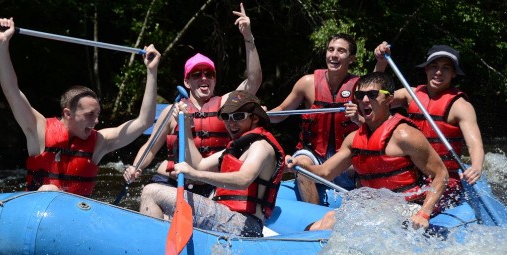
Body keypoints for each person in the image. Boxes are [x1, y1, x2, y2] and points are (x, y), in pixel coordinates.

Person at [0, 17, 161, 197]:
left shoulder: (100, 143)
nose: (96, 121)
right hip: (37, 210)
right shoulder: (38, 128)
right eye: (90, 114)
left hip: (74, 216)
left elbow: (144, 121)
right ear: (68, 113)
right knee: (49, 189)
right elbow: (12, 91)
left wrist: (152, 72)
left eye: (97, 114)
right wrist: (2, 46)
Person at [123, 3, 261, 198]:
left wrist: (248, 38)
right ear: (187, 82)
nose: (204, 78)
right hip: (173, 182)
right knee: (149, 192)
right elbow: (151, 148)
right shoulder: (172, 111)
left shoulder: (226, 104)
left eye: (209, 74)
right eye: (197, 74)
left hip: (212, 184)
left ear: (214, 79)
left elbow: (253, 81)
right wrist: (135, 168)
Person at [287, 72, 449, 230]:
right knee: (324, 220)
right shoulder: (353, 139)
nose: (365, 100)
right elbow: (324, 172)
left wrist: (424, 213)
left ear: (389, 99)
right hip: (373, 208)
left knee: (331, 223)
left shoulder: (405, 135)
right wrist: (298, 166)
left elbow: (441, 174)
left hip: (407, 208)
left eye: (372, 95)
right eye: (360, 95)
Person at [139, 91, 285, 237]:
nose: (231, 123)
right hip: (227, 216)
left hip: (244, 225)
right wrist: (186, 127)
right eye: (226, 117)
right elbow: (199, 164)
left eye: (238, 116)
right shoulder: (236, 148)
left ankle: (151, 249)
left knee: (151, 192)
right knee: (163, 218)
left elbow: (243, 180)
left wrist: (195, 174)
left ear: (255, 118)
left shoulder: (261, 146)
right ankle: (156, 249)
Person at [374, 43, 484, 204]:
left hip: (443, 179)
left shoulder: (460, 106)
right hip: (410, 175)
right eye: (434, 66)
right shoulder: (410, 95)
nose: (438, 72)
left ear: (454, 74)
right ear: (426, 69)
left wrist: (476, 167)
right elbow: (372, 97)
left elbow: (475, 145)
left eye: (446, 68)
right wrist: (381, 62)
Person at [268, 33, 360, 205]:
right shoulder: (307, 83)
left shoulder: (360, 87)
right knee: (301, 163)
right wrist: (263, 114)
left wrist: (358, 118)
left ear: (351, 59)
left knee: (365, 162)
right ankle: (315, 217)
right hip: (313, 153)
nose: (334, 55)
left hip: (344, 157)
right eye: (331, 49)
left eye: (341, 51)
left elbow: (373, 123)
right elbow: (281, 111)